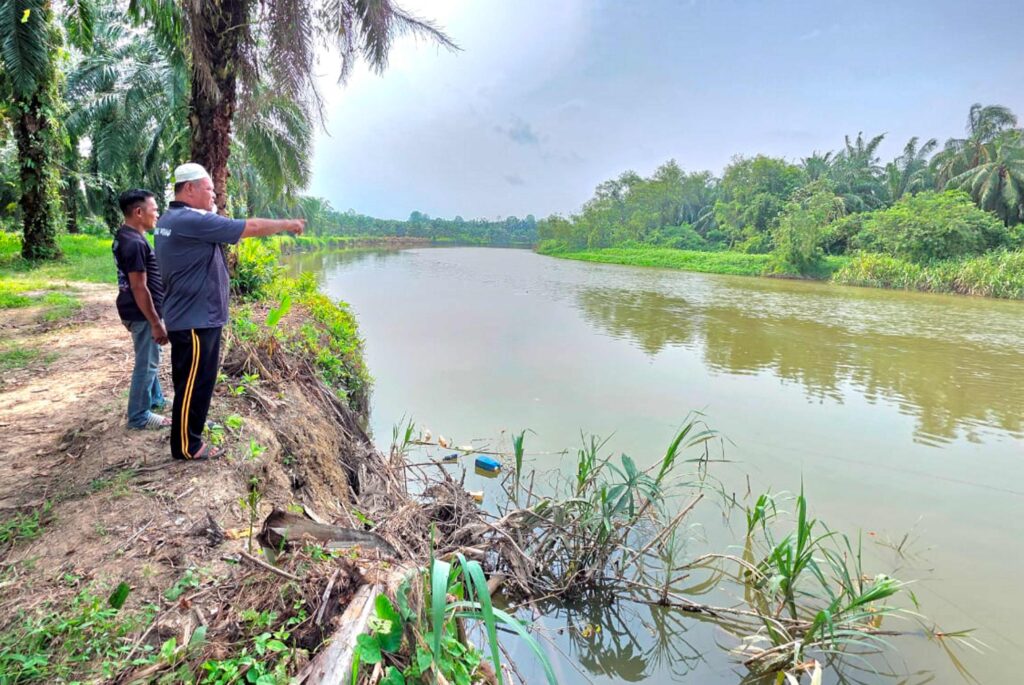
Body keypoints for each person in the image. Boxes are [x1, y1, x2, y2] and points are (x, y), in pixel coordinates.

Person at [154, 162, 304, 461]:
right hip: (194, 320)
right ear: (189, 188)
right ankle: (185, 446)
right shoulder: (191, 220)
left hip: (197, 316)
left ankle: (191, 434)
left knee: (199, 382)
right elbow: (252, 227)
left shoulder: (173, 219)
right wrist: (289, 224)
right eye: (209, 189)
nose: (215, 195)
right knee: (192, 384)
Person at [112, 189, 170, 430]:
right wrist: (155, 322)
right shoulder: (134, 243)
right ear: (138, 212)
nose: (157, 214)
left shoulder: (126, 236)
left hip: (136, 310)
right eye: (154, 209)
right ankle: (139, 416)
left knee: (149, 357)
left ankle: (155, 399)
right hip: (141, 313)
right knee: (147, 363)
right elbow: (139, 286)